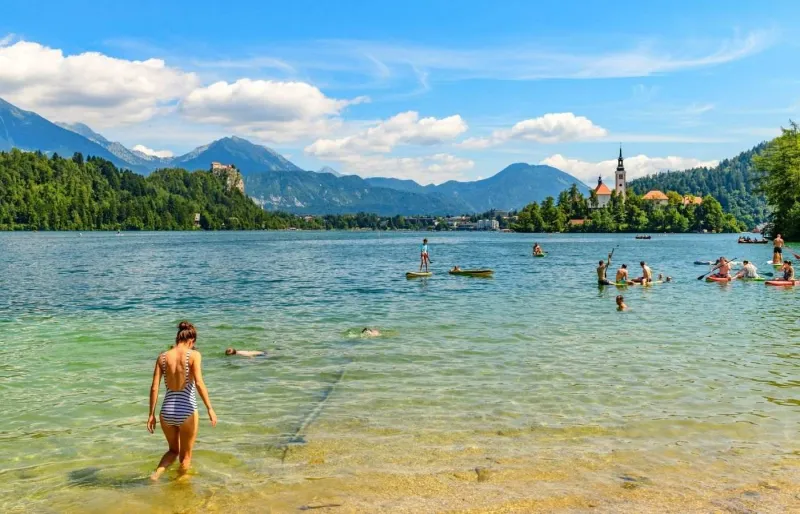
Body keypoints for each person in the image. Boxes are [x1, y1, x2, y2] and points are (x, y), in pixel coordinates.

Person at [148, 321, 216, 481]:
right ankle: (181, 488)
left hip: (167, 411)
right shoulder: (194, 355)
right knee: (186, 457)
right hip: (186, 410)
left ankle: (156, 475)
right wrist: (210, 408)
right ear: (191, 341)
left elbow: (154, 387)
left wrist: (151, 414)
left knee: (173, 451)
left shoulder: (162, 357)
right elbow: (199, 383)